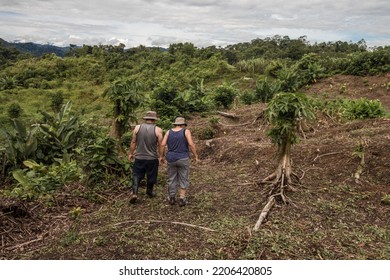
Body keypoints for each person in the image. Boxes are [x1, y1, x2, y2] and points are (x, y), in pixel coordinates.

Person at [160, 116, 199, 206]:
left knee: (171, 178)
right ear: (183, 125)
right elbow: (191, 144)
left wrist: (161, 156)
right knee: (183, 177)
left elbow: (162, 144)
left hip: (171, 158)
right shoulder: (186, 131)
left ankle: (172, 198)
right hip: (183, 158)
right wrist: (195, 156)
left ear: (175, 124)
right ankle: (182, 199)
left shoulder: (168, 132)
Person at [128, 111, 163, 204]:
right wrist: (161, 156)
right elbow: (161, 145)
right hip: (152, 158)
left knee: (136, 174)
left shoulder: (137, 128)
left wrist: (131, 153)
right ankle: (149, 191)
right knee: (151, 175)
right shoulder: (158, 130)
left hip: (139, 157)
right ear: (154, 120)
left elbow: (133, 142)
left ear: (145, 119)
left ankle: (134, 193)